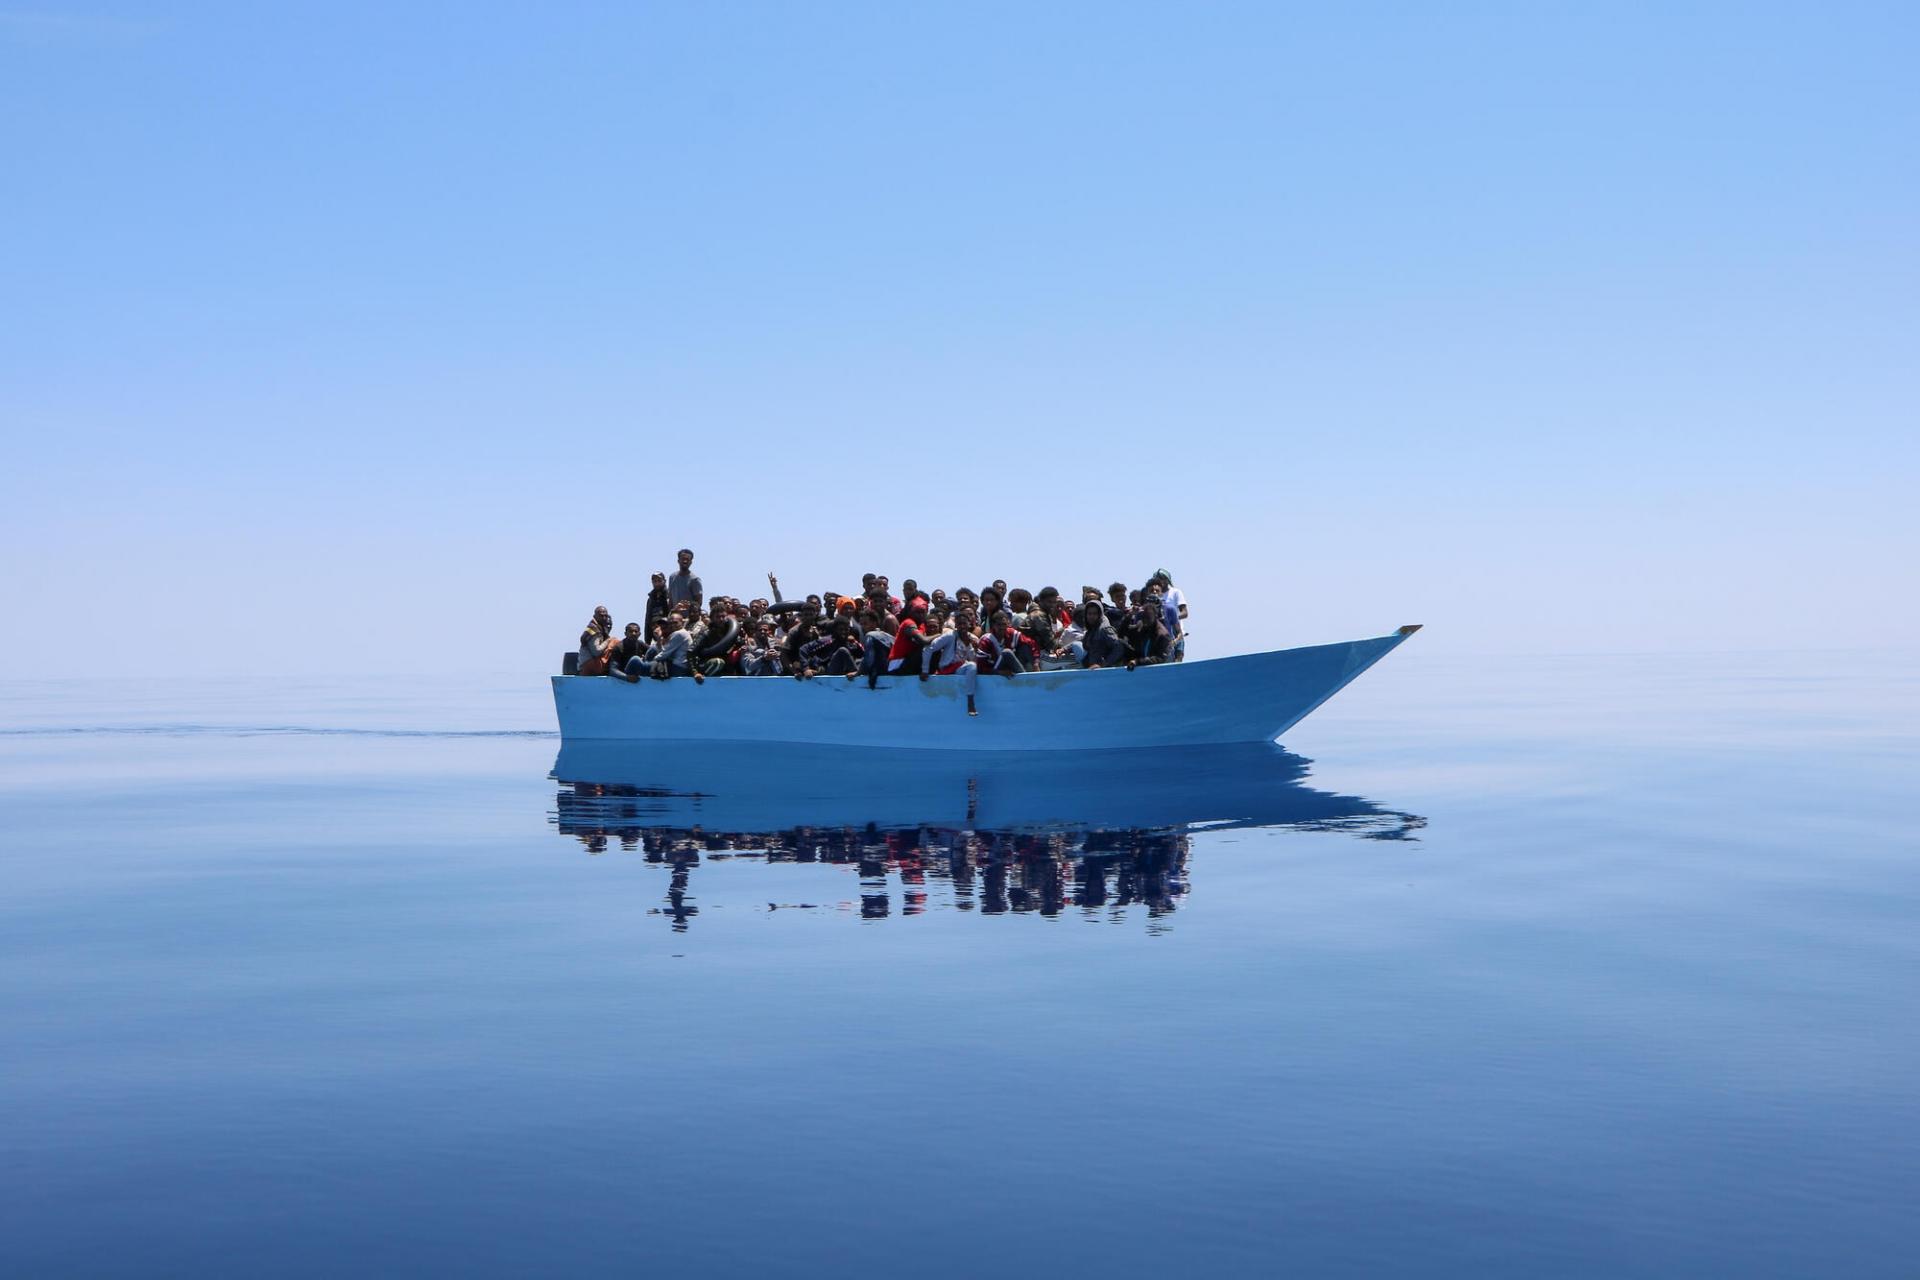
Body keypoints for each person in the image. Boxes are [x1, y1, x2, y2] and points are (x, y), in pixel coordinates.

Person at [1149, 569, 1188, 661]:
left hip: (1176, 631)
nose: (1161, 581)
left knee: (1178, 659)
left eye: (1163, 578)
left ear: (1167, 579)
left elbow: (1185, 612)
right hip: (1160, 632)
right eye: (1158, 578)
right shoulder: (1153, 593)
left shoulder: (1175, 592)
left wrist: (1171, 617)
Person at [1078, 600, 1128, 668]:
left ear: (1100, 615)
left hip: (1106, 672)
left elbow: (1119, 647)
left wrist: (1104, 664)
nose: (1092, 616)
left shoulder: (1104, 629)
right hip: (1093, 671)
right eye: (1089, 614)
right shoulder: (1090, 632)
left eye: (1095, 613)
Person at [578, 606, 615, 676]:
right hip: (589, 665)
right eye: (601, 616)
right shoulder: (594, 630)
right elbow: (596, 652)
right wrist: (608, 640)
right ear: (595, 616)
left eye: (606, 616)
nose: (604, 618)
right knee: (614, 642)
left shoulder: (599, 628)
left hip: (587, 665)